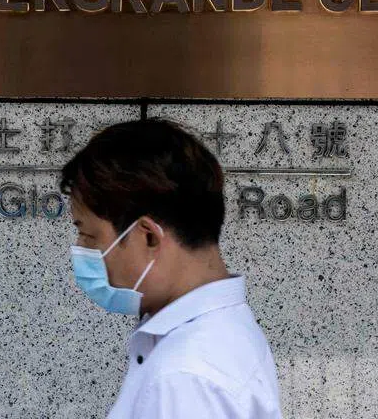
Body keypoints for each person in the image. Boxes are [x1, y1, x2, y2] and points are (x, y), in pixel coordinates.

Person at [60, 118, 282, 418]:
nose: (81, 249)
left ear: (149, 237)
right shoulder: (223, 333)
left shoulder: (184, 379)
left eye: (88, 235)